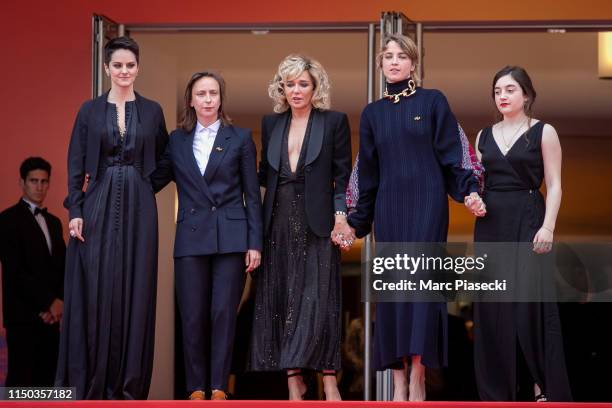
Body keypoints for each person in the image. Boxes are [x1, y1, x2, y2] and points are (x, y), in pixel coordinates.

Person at [343, 34, 482, 401]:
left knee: (420, 289)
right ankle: (399, 380)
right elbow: (368, 173)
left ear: (413, 63)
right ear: (381, 64)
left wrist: (469, 189)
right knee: (392, 292)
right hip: (389, 210)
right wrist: (356, 223)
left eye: (400, 56)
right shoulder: (373, 114)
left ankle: (419, 375)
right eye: (387, 56)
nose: (393, 62)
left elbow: (453, 154)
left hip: (427, 206)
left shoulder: (433, 101)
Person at [55, 36, 169, 399]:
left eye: (130, 65)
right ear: (106, 69)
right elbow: (75, 162)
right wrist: (76, 209)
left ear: (138, 68)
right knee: (97, 286)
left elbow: (168, 158)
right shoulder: (89, 110)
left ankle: (128, 387)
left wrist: (145, 184)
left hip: (140, 205)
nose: (124, 71)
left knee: (137, 288)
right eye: (117, 65)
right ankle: (92, 384)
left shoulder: (152, 111)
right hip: (98, 199)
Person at [151, 71, 262, 401]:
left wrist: (254, 242)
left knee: (223, 313)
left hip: (231, 236)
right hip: (191, 236)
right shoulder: (176, 140)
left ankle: (218, 387)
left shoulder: (240, 138)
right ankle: (196, 386)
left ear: (220, 99)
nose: (208, 99)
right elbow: (154, 180)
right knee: (193, 314)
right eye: (201, 93)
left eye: (213, 93)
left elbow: (252, 195)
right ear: (191, 100)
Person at [249, 54, 351, 401]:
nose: (296, 90)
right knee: (282, 298)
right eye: (289, 84)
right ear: (282, 87)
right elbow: (264, 174)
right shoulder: (270, 123)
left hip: (319, 221)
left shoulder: (334, 122)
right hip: (276, 219)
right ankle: (294, 380)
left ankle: (328, 380)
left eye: (302, 84)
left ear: (315, 87)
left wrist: (341, 217)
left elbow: (342, 175)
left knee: (320, 300)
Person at [467, 65, 571, 401]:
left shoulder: (544, 131)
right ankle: (497, 393)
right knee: (493, 306)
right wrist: (473, 199)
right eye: (497, 91)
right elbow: (477, 184)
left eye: (510, 89)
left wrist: (549, 226)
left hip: (529, 218)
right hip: (491, 223)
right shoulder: (482, 136)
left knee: (530, 304)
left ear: (526, 95)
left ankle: (543, 386)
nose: (503, 96)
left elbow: (554, 185)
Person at [0, 157, 65, 387]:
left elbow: (63, 268)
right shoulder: (6, 221)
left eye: (44, 181)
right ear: (22, 183)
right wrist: (48, 302)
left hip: (52, 320)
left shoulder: (55, 222)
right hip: (23, 319)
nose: (39, 187)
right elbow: (15, 272)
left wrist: (59, 302)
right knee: (21, 384)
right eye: (34, 181)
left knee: (50, 383)